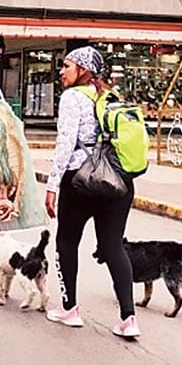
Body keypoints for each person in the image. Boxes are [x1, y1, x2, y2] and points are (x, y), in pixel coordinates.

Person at [43, 46, 139, 339]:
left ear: (83, 70)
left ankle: (69, 309)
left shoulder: (73, 97)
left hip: (81, 180)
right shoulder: (110, 95)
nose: (62, 71)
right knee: (113, 247)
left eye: (67, 66)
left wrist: (52, 185)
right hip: (117, 182)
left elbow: (65, 144)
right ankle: (128, 317)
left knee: (67, 241)